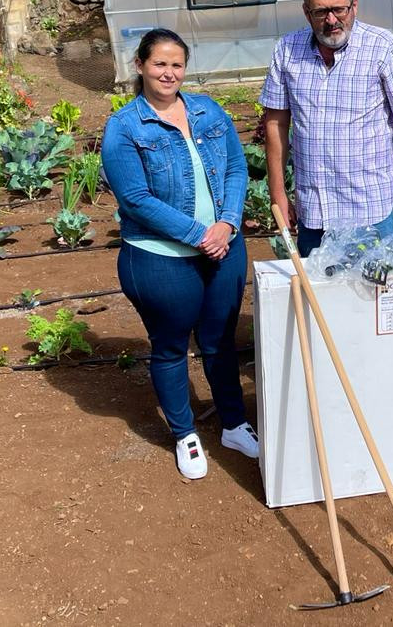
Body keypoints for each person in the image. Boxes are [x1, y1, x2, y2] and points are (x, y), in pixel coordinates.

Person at [101, 28, 258, 480]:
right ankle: (185, 433)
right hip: (160, 258)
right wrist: (198, 234)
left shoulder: (208, 110)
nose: (168, 73)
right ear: (140, 67)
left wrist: (226, 223)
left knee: (219, 342)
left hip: (223, 247)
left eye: (176, 64)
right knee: (170, 347)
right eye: (159, 64)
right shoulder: (126, 126)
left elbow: (234, 167)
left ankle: (232, 422)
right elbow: (135, 199)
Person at [259, 0, 393, 256]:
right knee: (320, 293)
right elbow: (276, 123)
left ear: (355, 4)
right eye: (320, 12)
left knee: (370, 292)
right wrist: (278, 193)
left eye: (339, 9)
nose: (331, 20)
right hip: (314, 207)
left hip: (368, 204)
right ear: (306, 12)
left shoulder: (381, 46)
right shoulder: (286, 50)